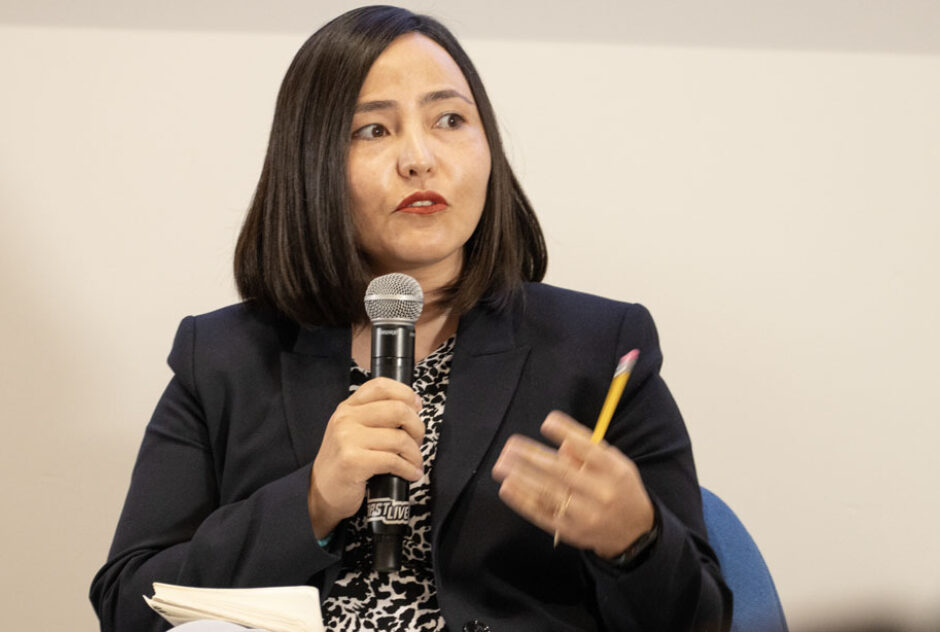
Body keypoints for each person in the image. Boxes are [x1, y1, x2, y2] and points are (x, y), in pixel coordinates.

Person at [90, 6, 731, 631]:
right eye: (373, 130)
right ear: (311, 164)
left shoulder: (598, 348)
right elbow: (128, 605)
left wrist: (637, 542)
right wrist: (311, 500)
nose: (420, 159)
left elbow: (703, 620)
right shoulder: (224, 355)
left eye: (450, 119)